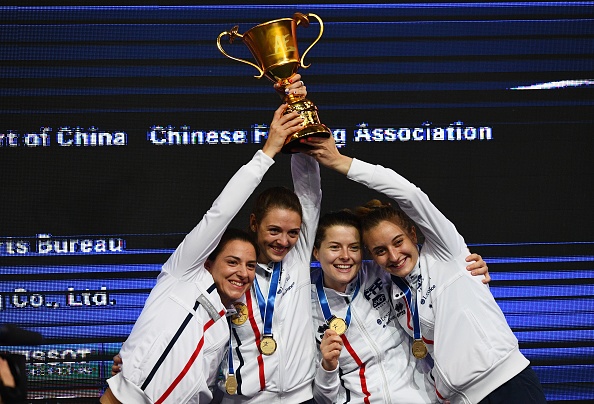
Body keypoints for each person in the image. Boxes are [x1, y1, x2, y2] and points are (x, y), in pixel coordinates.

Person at [300, 136, 546, 404]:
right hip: (459, 399)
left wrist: (339, 161)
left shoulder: (445, 252)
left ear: (413, 233)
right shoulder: (392, 289)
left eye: (398, 242)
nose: (394, 256)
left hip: (506, 384)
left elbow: (408, 193)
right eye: (380, 251)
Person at [100, 92, 306, 404]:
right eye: (233, 261)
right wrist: (268, 152)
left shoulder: (224, 329)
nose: (243, 272)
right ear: (209, 261)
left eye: (250, 266)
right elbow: (220, 213)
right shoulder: (182, 276)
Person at [311, 210, 490, 404]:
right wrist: (328, 367)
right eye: (335, 247)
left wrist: (466, 268)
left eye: (353, 247)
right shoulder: (305, 306)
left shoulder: (385, 273)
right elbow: (323, 399)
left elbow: (432, 272)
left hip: (424, 398)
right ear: (316, 252)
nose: (345, 256)